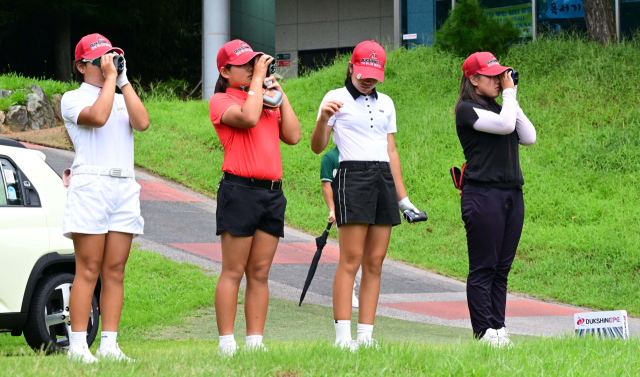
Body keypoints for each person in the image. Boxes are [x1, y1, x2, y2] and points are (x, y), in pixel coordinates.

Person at [310, 40, 421, 350]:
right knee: (352, 259)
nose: (368, 80)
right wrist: (322, 119)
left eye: (374, 74)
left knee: (375, 261)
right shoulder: (334, 98)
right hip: (352, 176)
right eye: (363, 73)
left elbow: (391, 150)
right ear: (350, 67)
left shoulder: (386, 102)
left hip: (382, 178)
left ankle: (366, 337)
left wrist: (404, 199)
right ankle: (343, 339)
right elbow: (318, 146)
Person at [209, 40, 301, 356]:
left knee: (259, 273)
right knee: (233, 270)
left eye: (255, 63)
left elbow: (293, 136)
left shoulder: (265, 97)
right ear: (225, 70)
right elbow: (248, 118)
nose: (252, 68)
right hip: (240, 191)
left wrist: (280, 94)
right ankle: (226, 344)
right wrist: (259, 84)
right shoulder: (221, 99)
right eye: (245, 65)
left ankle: (255, 342)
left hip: (272, 193)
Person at [62, 33, 149, 363]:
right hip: (91, 184)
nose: (106, 64)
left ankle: (110, 344)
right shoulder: (72, 98)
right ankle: (78, 345)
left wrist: (122, 81)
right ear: (82, 66)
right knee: (89, 268)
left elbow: (142, 122)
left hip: (124, 185)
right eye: (100, 60)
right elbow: (97, 118)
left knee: (115, 269)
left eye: (111, 57)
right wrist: (111, 79)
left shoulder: (121, 94)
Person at [455, 52, 536, 347]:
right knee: (483, 267)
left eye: (501, 75)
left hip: (512, 194)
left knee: (502, 268)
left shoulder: (502, 109)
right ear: (473, 80)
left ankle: (498, 328)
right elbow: (504, 126)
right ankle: (483, 332)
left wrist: (511, 97)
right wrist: (510, 96)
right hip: (483, 195)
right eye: (492, 76)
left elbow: (529, 136)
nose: (500, 80)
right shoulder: (466, 110)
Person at [320, 146, 361, 308]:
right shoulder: (330, 158)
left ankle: (358, 289)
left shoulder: (361, 154)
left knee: (366, 254)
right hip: (344, 212)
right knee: (351, 254)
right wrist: (332, 209)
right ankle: (349, 291)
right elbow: (326, 185)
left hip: (365, 209)